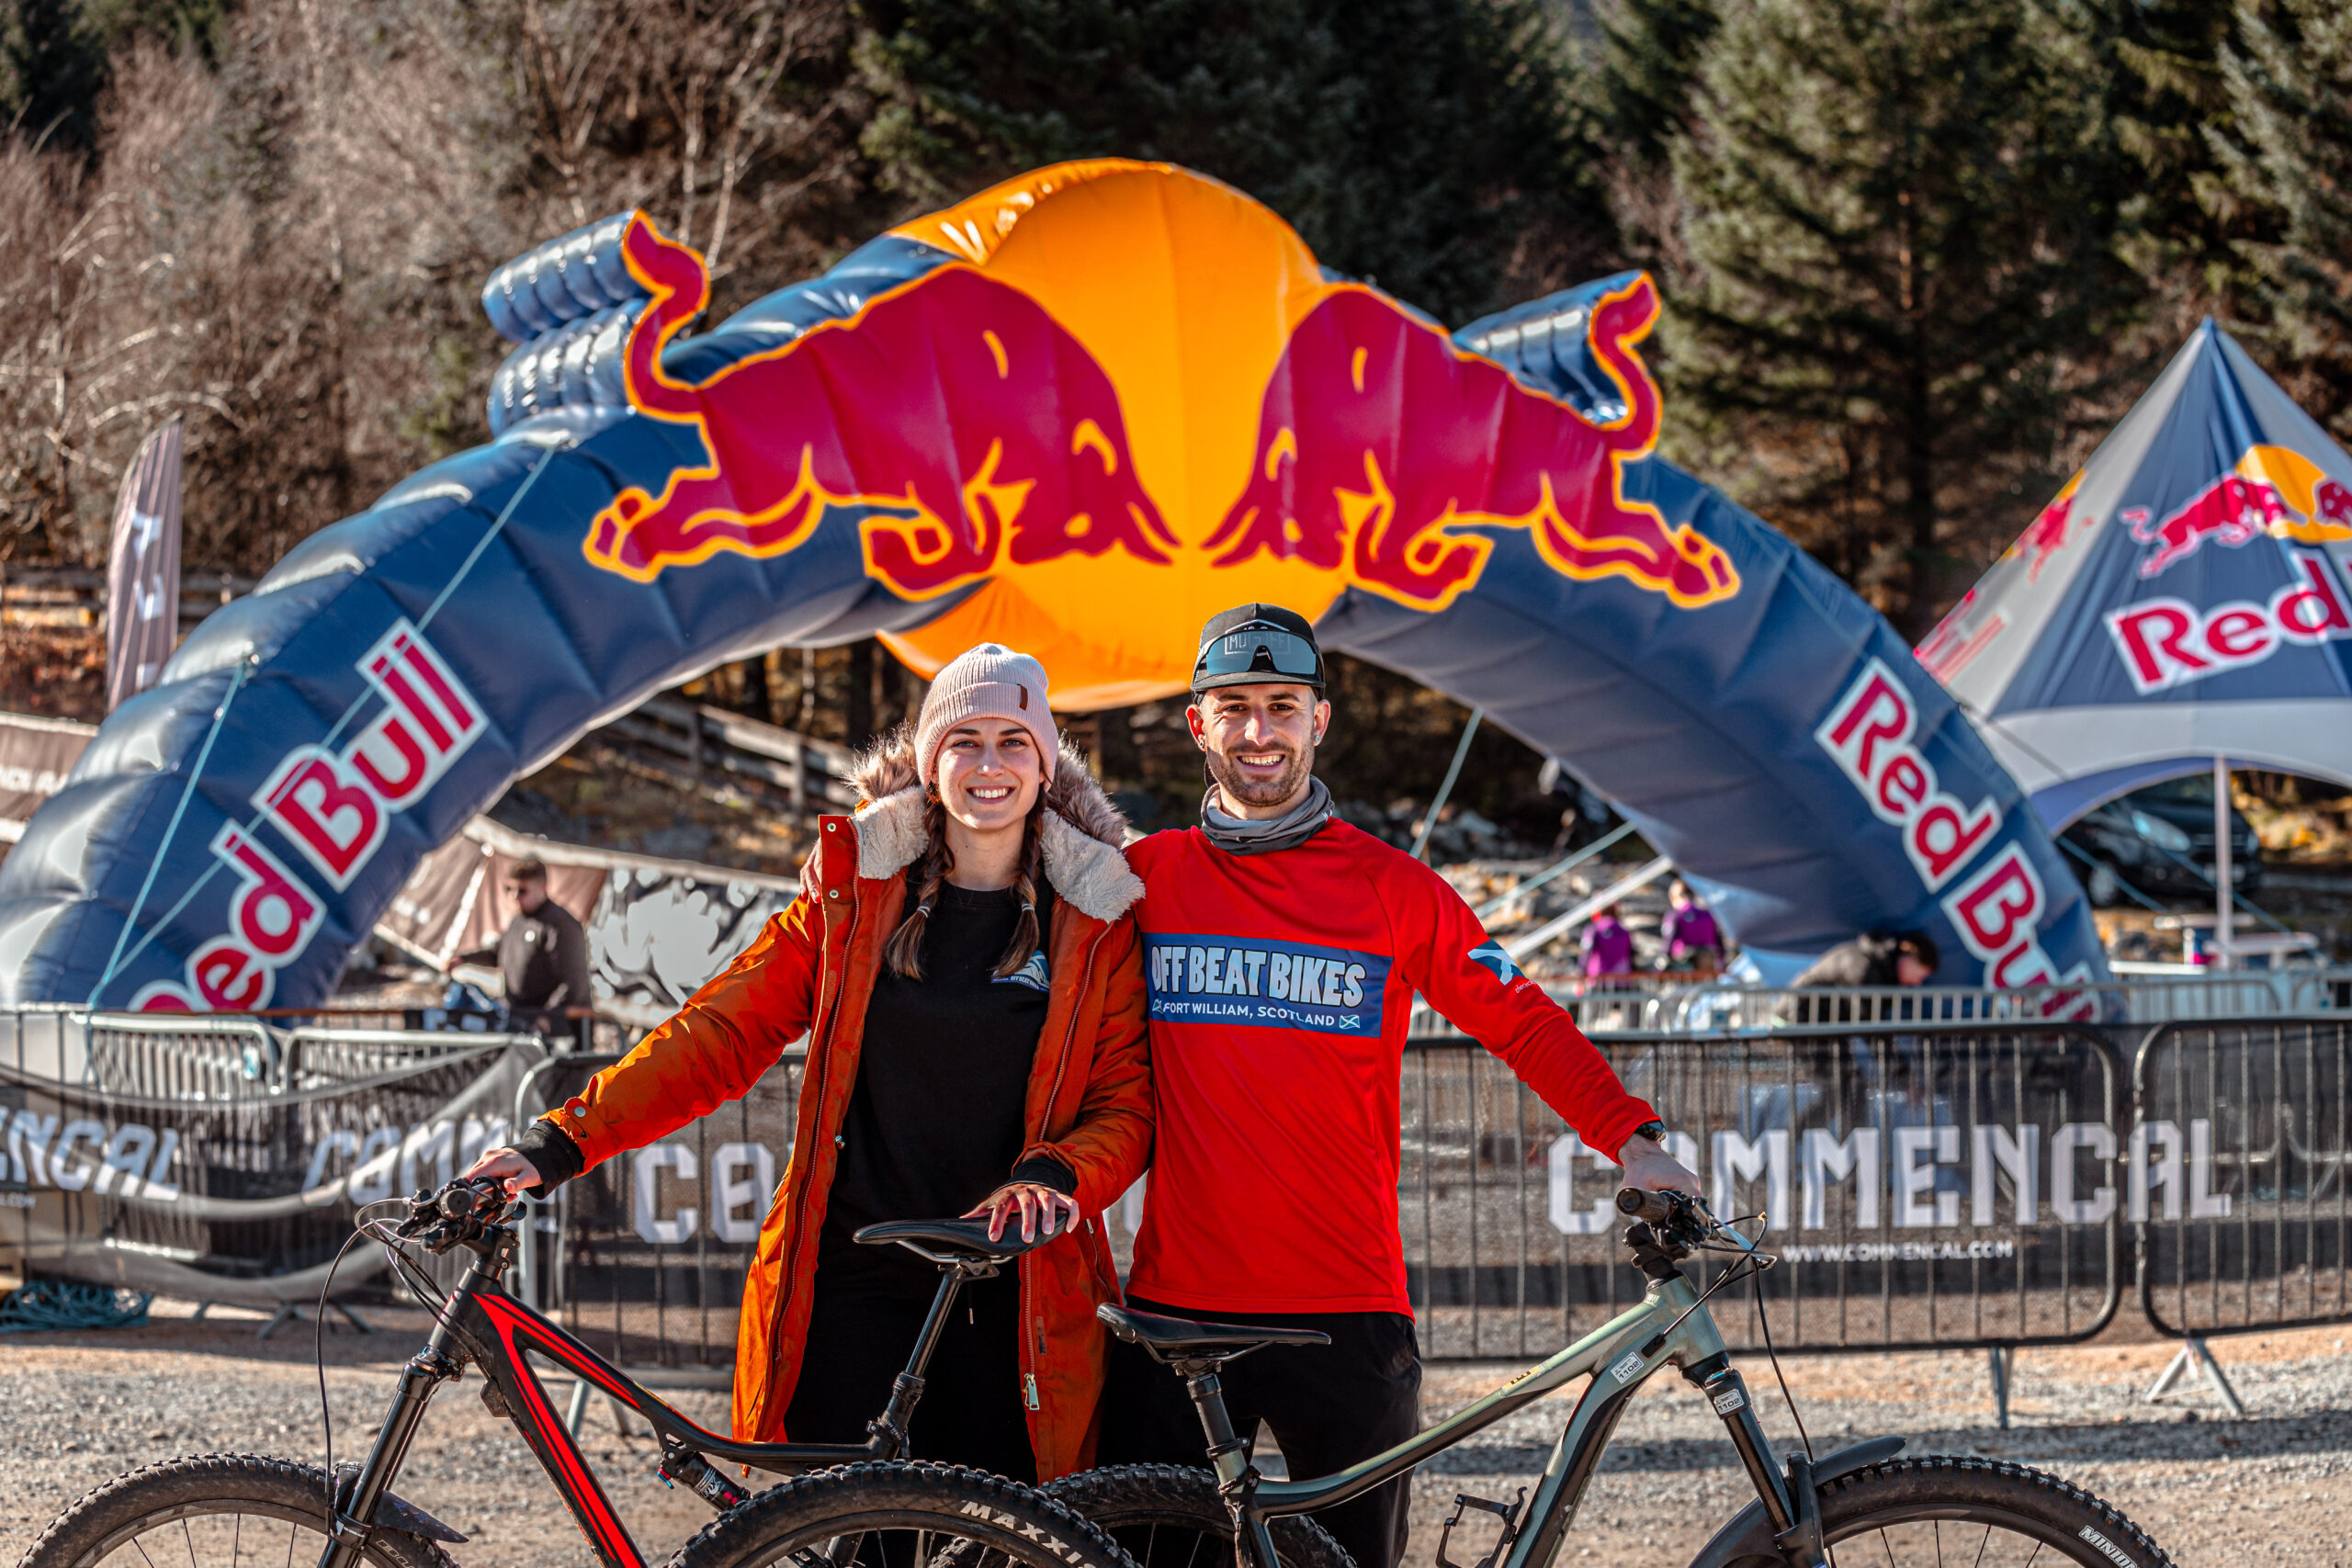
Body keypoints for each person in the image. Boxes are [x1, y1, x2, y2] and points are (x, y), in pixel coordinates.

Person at [466, 643, 1152, 1483]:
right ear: (931, 763)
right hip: (854, 1277)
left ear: (1045, 766)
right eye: (963, 739)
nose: (988, 764)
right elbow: (719, 1030)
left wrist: (1053, 1173)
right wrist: (562, 1142)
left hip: (1013, 1288)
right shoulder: (852, 894)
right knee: (846, 1533)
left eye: (1013, 741)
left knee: (996, 1534)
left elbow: (1124, 1106)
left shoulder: (1095, 914)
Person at [1101, 604, 1699, 1568]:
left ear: (1319, 721)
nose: (1261, 733)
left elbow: (1522, 1019)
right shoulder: (1143, 877)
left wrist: (1631, 1135)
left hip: (1347, 1307)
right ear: (1198, 723)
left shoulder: (1393, 889)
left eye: (1283, 707)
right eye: (1237, 707)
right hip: (1177, 1311)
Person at [459, 857, 591, 1036]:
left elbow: (574, 983)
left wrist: (548, 1016)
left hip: (554, 1030)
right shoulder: (518, 920)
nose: (514, 897)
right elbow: (499, 953)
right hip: (519, 1020)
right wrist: (464, 960)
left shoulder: (560, 925)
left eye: (522, 891)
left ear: (542, 887)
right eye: (509, 889)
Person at [1791, 930, 1939, 988]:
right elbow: (1867, 1017)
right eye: (1920, 975)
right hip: (1796, 1023)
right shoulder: (1864, 966)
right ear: (1910, 959)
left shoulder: (1880, 967)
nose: (1917, 983)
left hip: (1818, 1026)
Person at [1660, 880, 1724, 973]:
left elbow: (1669, 939)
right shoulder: (1707, 914)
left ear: (1674, 897)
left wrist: (1663, 960)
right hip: (1708, 962)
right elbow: (1719, 941)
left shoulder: (1676, 915)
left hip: (1686, 964)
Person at [1579, 908, 1634, 979]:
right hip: (1622, 978)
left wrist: (1581, 974)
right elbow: (1630, 953)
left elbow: (1585, 952)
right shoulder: (1623, 929)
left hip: (1598, 978)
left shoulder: (1593, 928)